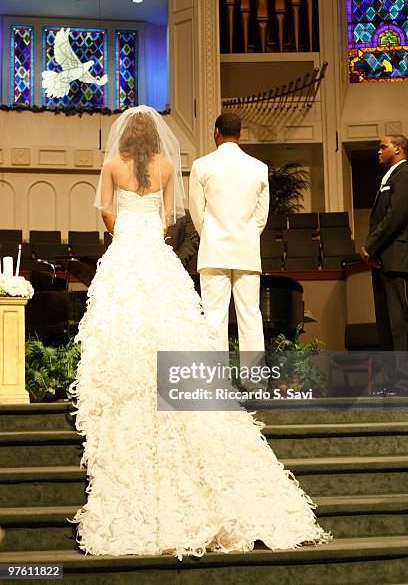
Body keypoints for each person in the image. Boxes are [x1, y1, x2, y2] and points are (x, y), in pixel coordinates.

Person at [70, 105, 329, 558]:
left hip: (133, 249)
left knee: (188, 319)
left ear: (125, 135)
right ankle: (240, 380)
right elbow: (171, 218)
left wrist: (125, 235)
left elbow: (108, 215)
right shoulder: (173, 166)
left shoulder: (114, 164)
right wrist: (150, 232)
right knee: (210, 320)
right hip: (176, 248)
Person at [189, 112, 269, 352]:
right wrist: (246, 236)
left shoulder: (201, 166)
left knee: (214, 317)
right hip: (246, 249)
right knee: (250, 317)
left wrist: (212, 235)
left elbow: (197, 212)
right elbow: (261, 216)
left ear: (216, 132)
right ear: (240, 134)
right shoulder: (259, 167)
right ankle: (255, 383)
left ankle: (216, 384)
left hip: (214, 250)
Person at [360, 133, 408, 396]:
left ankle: (403, 381)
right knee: (385, 324)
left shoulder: (405, 174)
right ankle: (392, 381)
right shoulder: (389, 176)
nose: (378, 151)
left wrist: (370, 246)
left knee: (398, 323)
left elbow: (395, 217)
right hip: (383, 261)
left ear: (398, 149)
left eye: (383, 146)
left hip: (398, 260)